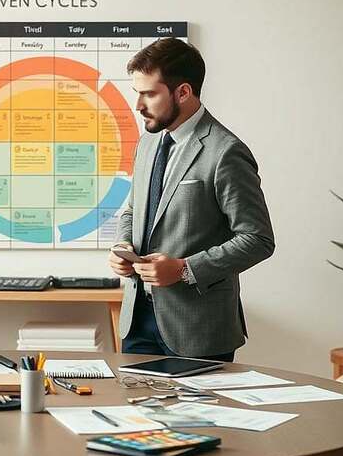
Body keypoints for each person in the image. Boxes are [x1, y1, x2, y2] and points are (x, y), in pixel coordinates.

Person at [107, 38, 274, 361]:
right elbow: (133, 209)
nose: (138, 105)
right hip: (137, 322)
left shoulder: (226, 152)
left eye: (149, 94)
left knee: (198, 414)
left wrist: (185, 269)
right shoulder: (148, 144)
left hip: (198, 326)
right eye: (137, 93)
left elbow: (258, 239)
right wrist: (122, 247)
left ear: (183, 92)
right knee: (133, 413)